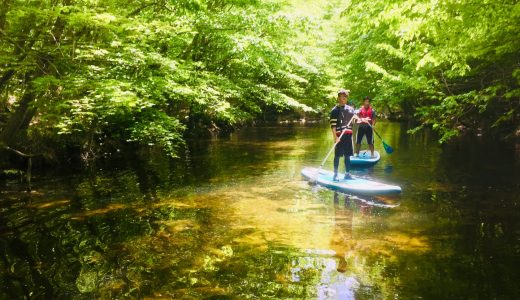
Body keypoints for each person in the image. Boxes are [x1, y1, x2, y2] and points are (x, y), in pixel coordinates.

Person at [329, 89, 357, 181]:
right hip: (339, 136)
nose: (342, 99)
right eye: (340, 97)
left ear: (346, 98)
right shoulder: (334, 110)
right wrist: (335, 137)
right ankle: (335, 174)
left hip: (348, 135)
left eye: (344, 97)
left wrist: (362, 120)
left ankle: (347, 174)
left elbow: (355, 120)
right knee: (337, 155)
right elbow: (333, 126)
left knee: (347, 155)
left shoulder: (350, 109)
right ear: (338, 98)